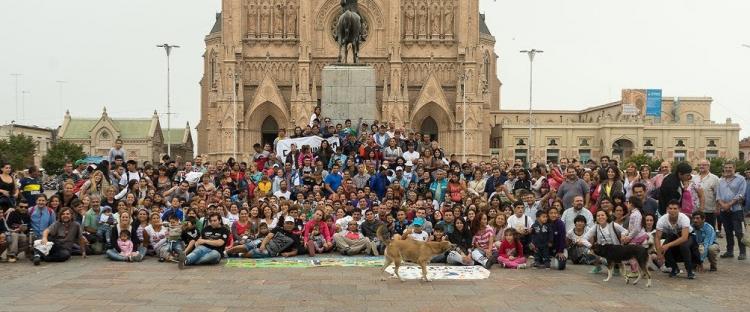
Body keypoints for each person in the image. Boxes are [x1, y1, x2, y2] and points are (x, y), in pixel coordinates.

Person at [655, 200, 696, 279]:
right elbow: (657, 237)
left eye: (675, 208)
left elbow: (684, 238)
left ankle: (689, 271)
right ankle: (674, 268)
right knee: (663, 248)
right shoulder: (662, 220)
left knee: (684, 246)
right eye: (670, 208)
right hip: (673, 235)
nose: (672, 211)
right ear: (667, 209)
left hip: (689, 235)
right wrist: (659, 252)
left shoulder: (684, 218)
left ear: (679, 210)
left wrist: (668, 245)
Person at [716, 162, 747, 260]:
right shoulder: (720, 181)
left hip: (736, 209)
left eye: (730, 167)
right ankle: (729, 251)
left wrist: (729, 204)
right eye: (726, 167)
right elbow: (718, 195)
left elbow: (741, 194)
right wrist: (723, 205)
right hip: (724, 210)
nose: (728, 169)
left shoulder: (741, 179)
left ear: (734, 168)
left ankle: (742, 252)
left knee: (738, 232)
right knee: (728, 231)